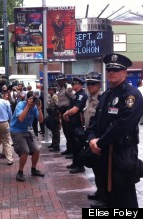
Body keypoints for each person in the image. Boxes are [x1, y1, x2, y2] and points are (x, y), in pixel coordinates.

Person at [87, 53, 143, 208]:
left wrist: (100, 142)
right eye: (109, 69)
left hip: (121, 153)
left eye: (116, 70)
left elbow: (122, 125)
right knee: (107, 192)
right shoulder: (106, 95)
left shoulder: (131, 95)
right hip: (103, 152)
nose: (111, 72)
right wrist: (91, 138)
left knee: (125, 196)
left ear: (125, 73)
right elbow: (94, 120)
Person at [82, 72, 106, 208]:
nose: (90, 86)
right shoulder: (89, 97)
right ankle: (99, 191)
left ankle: (104, 198)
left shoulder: (102, 98)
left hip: (98, 139)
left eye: (93, 83)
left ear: (99, 84)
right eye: (88, 83)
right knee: (96, 169)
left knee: (102, 170)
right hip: (90, 135)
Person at [10, 91, 45, 182]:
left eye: (35, 99)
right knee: (25, 151)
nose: (33, 101)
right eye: (31, 99)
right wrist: (28, 106)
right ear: (27, 99)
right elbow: (21, 118)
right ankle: (20, 172)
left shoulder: (35, 108)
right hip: (16, 130)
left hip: (27, 130)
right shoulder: (21, 105)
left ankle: (33, 169)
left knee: (36, 150)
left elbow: (41, 120)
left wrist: (39, 108)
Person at [64, 77, 88, 174]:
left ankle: (80, 166)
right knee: (74, 145)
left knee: (78, 146)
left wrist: (65, 114)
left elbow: (75, 110)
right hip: (73, 123)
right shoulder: (76, 95)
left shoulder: (81, 95)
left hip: (78, 124)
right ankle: (75, 163)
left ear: (79, 84)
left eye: (74, 83)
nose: (72, 85)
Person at [56, 73, 75, 158]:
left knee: (70, 132)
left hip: (68, 112)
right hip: (62, 111)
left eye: (61, 80)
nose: (59, 82)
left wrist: (68, 111)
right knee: (66, 131)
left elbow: (73, 99)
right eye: (58, 80)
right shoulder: (60, 88)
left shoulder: (68, 88)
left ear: (64, 80)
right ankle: (69, 149)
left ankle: (72, 151)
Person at [46, 82, 60, 152]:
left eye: (50, 89)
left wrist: (56, 115)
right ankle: (53, 143)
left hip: (55, 115)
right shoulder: (50, 96)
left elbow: (58, 106)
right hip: (51, 114)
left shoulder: (55, 96)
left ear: (53, 90)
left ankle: (56, 146)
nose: (49, 90)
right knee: (53, 130)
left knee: (56, 131)